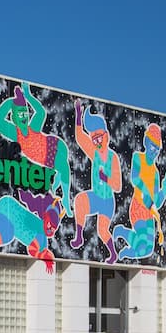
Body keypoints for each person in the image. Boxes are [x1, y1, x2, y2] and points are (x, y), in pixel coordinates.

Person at [0, 83, 72, 216]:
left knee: (64, 157)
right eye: (20, 114)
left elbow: (41, 112)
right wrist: (10, 102)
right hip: (46, 156)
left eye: (25, 113)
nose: (23, 117)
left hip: (53, 143)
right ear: (13, 118)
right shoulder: (16, 134)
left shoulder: (33, 127)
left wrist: (28, 96)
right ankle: (66, 199)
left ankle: (60, 181)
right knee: (63, 166)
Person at [71, 102, 122, 263]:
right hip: (96, 196)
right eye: (94, 139)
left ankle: (113, 253)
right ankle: (79, 236)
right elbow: (80, 137)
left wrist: (106, 178)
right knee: (79, 201)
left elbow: (118, 186)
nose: (97, 142)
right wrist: (78, 116)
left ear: (106, 136)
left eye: (99, 137)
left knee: (102, 231)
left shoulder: (113, 158)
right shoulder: (94, 153)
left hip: (107, 201)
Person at [113, 124, 166, 260]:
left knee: (147, 250)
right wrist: (146, 194)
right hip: (138, 208)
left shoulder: (156, 173)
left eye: (157, 148)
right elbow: (135, 178)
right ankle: (122, 232)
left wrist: (165, 190)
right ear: (146, 142)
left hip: (149, 213)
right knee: (141, 241)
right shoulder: (138, 157)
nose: (155, 151)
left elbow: (156, 203)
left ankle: (128, 251)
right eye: (153, 146)